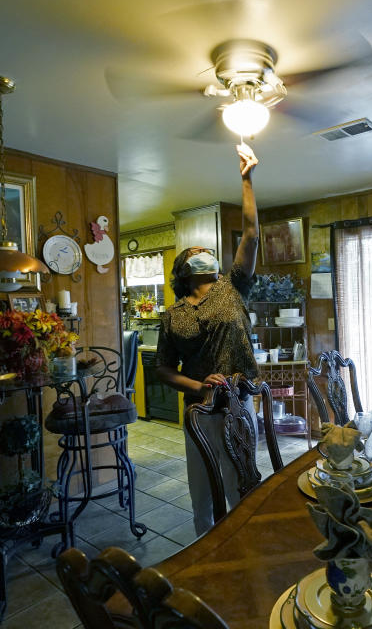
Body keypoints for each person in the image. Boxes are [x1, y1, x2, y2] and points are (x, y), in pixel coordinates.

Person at [156, 142, 261, 534]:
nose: (206, 253)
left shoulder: (232, 287)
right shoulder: (173, 315)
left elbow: (251, 234)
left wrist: (246, 179)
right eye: (197, 251)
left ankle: (246, 544)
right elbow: (164, 368)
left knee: (242, 483)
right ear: (183, 270)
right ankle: (206, 549)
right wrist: (198, 384)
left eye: (208, 250)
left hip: (239, 402)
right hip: (199, 410)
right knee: (202, 490)